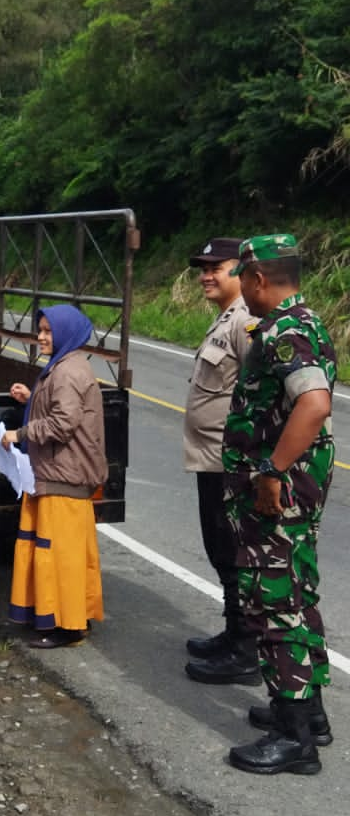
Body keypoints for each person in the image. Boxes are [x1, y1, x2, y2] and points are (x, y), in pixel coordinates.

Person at [221, 234, 336, 776]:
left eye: (242, 277)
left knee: (276, 605)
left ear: (259, 278)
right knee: (297, 593)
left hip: (277, 498)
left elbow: (313, 405)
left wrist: (271, 470)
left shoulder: (287, 332)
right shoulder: (302, 323)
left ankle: (295, 740)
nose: (241, 287)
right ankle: (307, 712)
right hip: (290, 497)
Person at [1, 304, 107, 649]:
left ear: (65, 333)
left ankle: (68, 626)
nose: (42, 337)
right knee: (66, 552)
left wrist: (20, 433)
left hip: (64, 476)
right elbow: (64, 410)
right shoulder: (66, 365)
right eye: (41, 330)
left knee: (60, 554)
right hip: (60, 474)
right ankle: (72, 616)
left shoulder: (67, 372)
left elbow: (63, 424)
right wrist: (32, 399)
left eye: (48, 331)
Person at [183, 236, 260, 685]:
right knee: (219, 548)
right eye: (203, 267)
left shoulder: (246, 322)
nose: (206, 275)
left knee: (233, 553)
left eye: (217, 267)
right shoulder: (226, 319)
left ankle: (246, 651)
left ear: (243, 271)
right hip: (212, 458)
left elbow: (263, 393)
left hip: (230, 461)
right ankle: (233, 635)